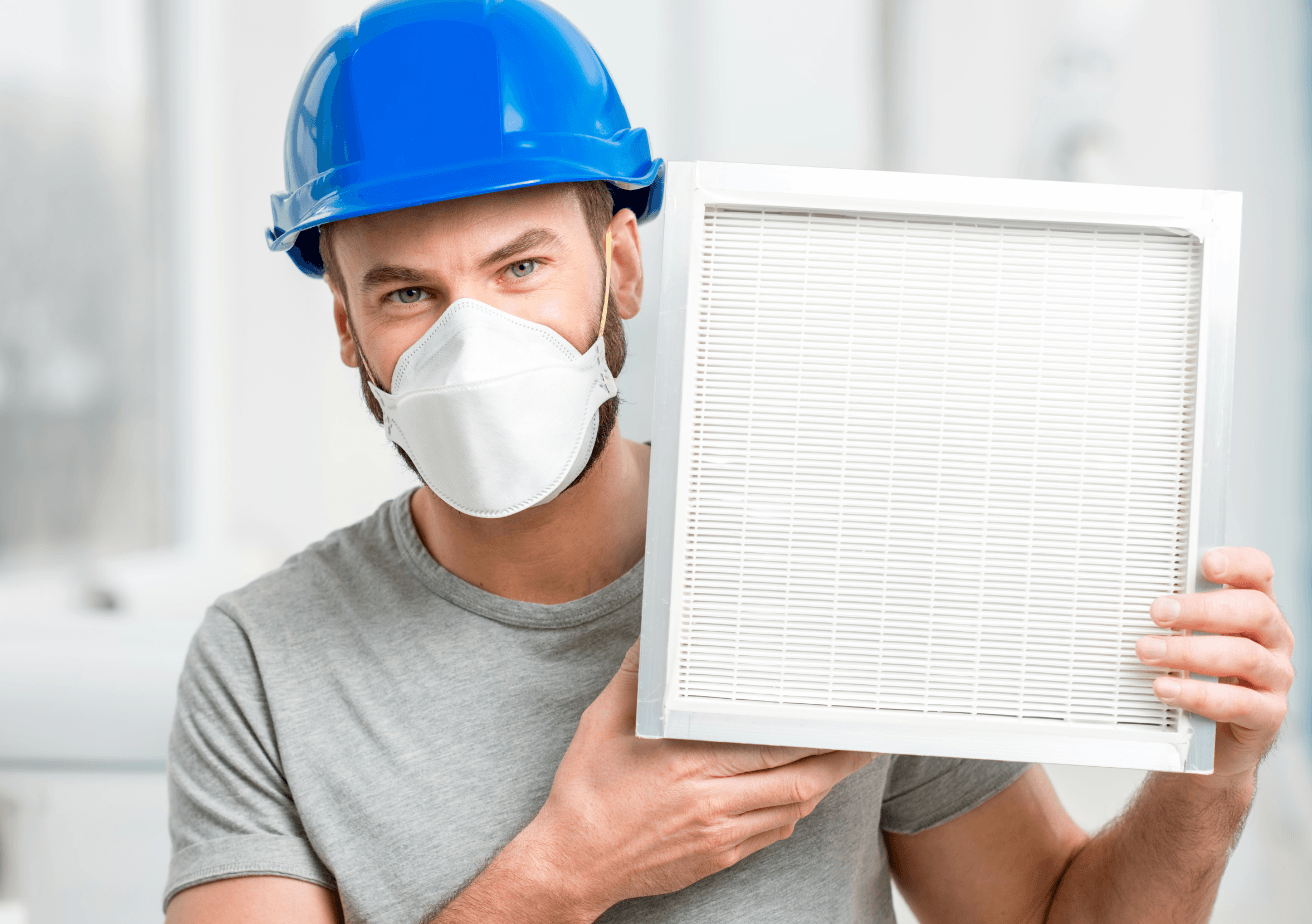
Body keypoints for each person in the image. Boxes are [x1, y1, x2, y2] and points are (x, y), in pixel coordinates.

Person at [163, 2, 1295, 922]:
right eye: (407, 293)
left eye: (520, 269)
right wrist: (567, 872)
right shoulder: (264, 662)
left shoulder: (829, 561)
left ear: (621, 267)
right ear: (348, 330)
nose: (474, 347)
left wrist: (1214, 776)